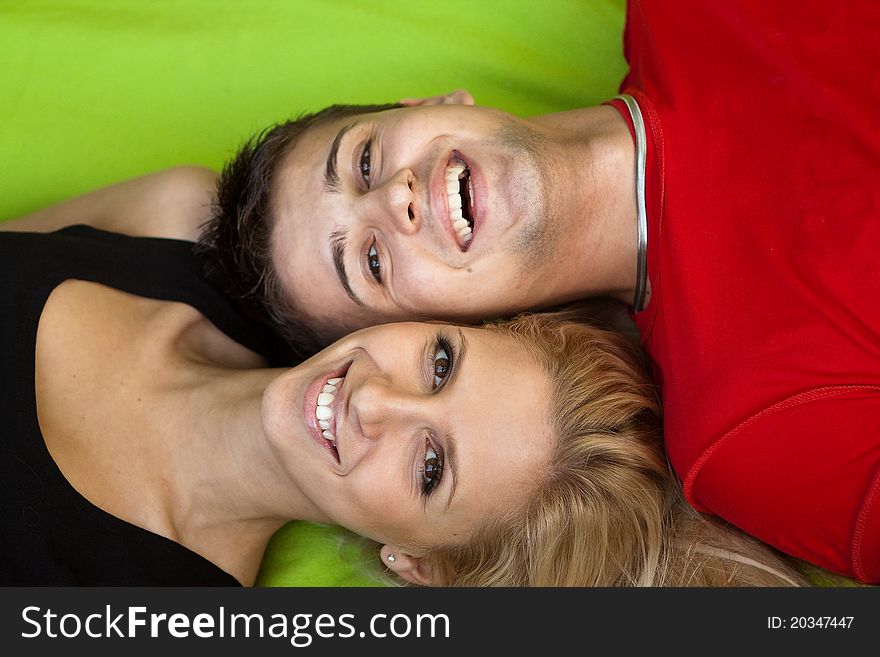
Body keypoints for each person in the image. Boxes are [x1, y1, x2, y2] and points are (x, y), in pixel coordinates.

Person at [193, 2, 880, 583]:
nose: (393, 201)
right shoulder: (744, 428)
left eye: (364, 161)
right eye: (372, 262)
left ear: (431, 103)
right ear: (479, 328)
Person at [0, 220, 803, 586]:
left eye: (430, 467)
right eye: (441, 362)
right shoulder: (185, 226)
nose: (376, 401)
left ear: (418, 565)